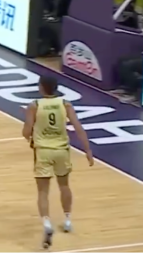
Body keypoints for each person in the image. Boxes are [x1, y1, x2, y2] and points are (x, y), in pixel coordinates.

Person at [23, 76, 94, 250]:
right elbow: (78, 127)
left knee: (43, 191)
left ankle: (47, 223)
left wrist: (32, 133)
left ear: (41, 87)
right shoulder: (65, 104)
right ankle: (67, 220)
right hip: (62, 150)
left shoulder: (34, 105)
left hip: (43, 151)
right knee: (64, 185)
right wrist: (88, 150)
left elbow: (26, 132)